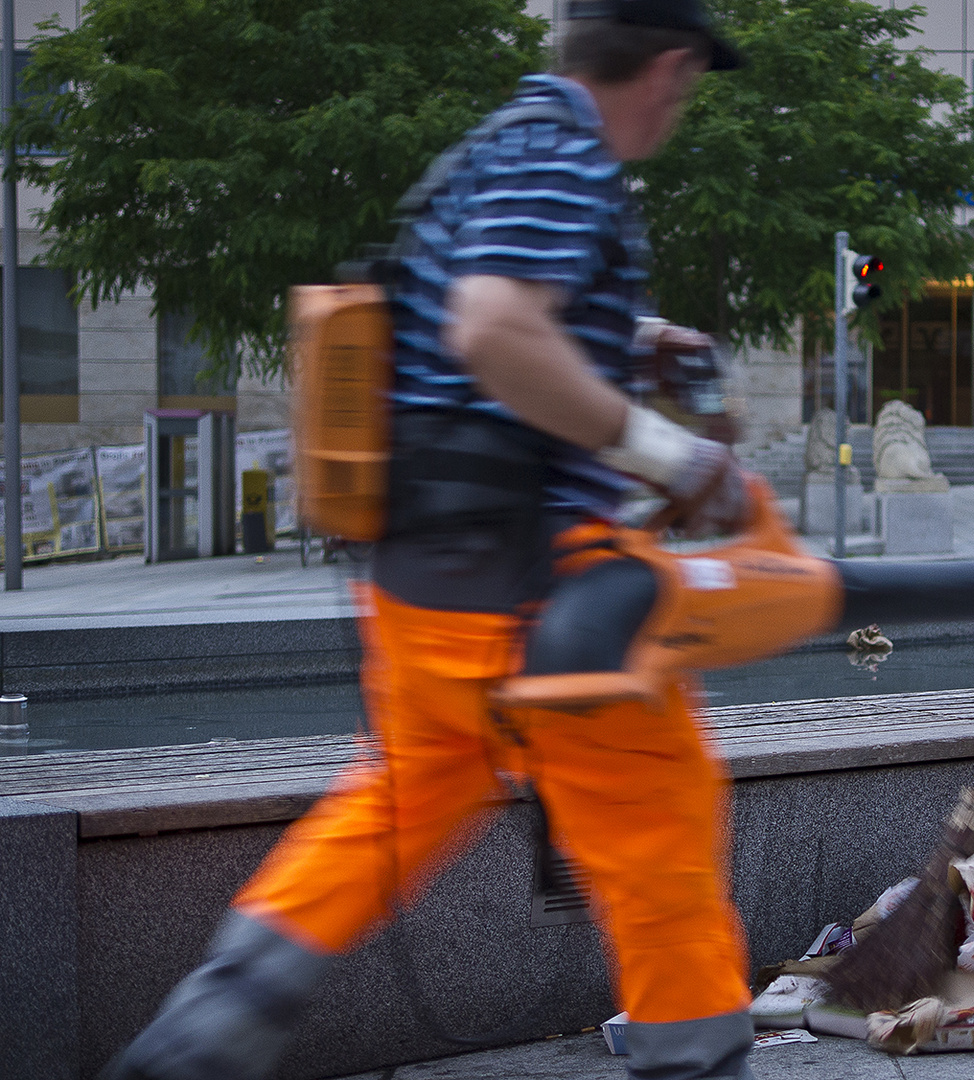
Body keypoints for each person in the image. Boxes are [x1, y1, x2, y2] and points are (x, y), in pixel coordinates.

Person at [105, 5, 760, 1079]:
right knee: (660, 833)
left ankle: (202, 1036)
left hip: (424, 579)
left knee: (396, 804)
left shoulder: (494, 147)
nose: (680, 109)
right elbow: (493, 327)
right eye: (687, 88)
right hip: (544, 590)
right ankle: (701, 1061)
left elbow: (461, 315)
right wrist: (674, 457)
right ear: (669, 66)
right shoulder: (568, 156)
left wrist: (629, 335)